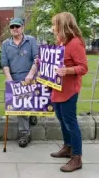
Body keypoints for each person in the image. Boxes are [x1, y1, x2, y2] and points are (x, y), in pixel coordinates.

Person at [49, 12, 88, 172]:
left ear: (63, 25)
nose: (52, 28)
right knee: (61, 118)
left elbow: (83, 67)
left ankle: (77, 157)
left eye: (54, 25)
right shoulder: (61, 43)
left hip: (69, 91)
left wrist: (68, 70)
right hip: (57, 89)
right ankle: (68, 147)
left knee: (70, 122)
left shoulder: (75, 43)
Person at [1, 18, 38, 148]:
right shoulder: (5, 44)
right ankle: (25, 132)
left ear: (22, 27)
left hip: (30, 78)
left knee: (25, 108)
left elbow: (37, 59)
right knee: (21, 108)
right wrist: (8, 77)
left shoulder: (31, 40)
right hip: (15, 80)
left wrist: (31, 74)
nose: (15, 29)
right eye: (12, 27)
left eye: (17, 26)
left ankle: (24, 132)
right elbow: (4, 63)